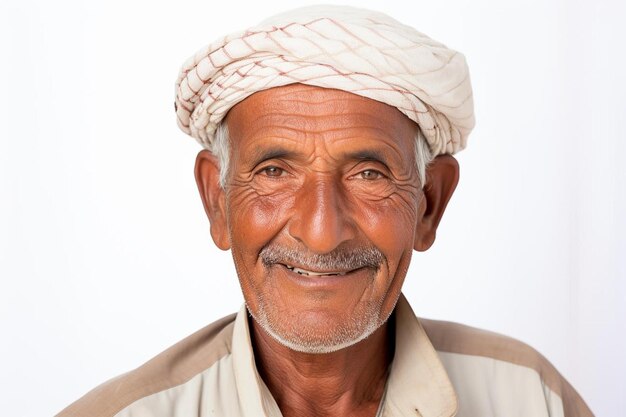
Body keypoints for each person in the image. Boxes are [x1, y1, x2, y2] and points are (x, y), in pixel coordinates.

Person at [57, 5, 593, 417]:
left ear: (430, 204)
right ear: (217, 200)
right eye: (274, 172)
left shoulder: (530, 398)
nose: (320, 233)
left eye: (369, 175)